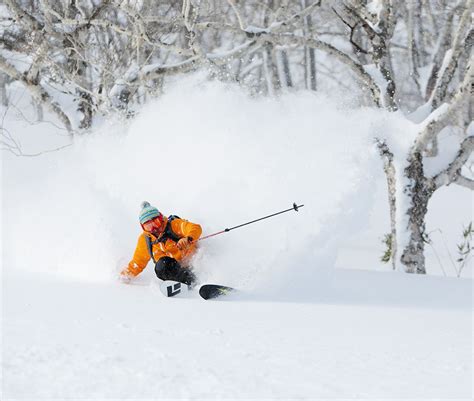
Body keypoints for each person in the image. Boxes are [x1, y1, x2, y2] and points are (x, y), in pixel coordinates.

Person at [120, 201, 202, 285]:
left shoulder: (174, 225)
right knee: (161, 266)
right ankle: (185, 283)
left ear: (161, 218)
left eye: (156, 222)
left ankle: (196, 281)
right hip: (176, 269)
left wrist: (188, 238)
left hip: (192, 263)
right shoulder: (146, 240)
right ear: (143, 227)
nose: (154, 228)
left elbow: (194, 227)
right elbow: (138, 262)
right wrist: (125, 276)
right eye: (149, 226)